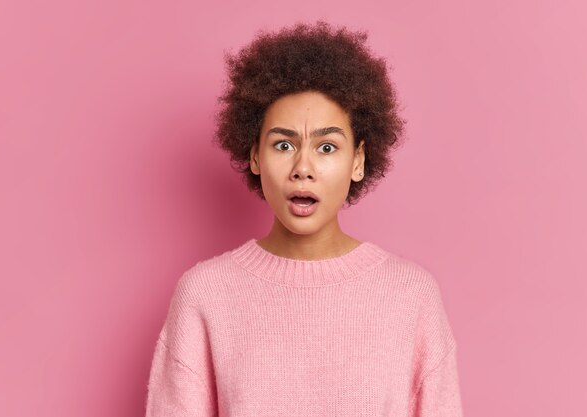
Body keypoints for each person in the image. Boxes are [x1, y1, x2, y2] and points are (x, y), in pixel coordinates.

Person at [145, 21, 463, 417]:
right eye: (283, 144)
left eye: (327, 147)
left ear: (358, 160)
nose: (303, 168)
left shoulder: (410, 296)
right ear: (256, 156)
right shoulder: (206, 294)